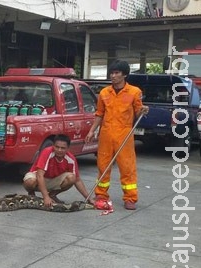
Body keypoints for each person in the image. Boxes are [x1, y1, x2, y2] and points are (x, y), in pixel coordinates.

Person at [85, 60, 149, 210]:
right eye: (112, 73)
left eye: (116, 73)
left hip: (124, 133)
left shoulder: (134, 92)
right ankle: (101, 194)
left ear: (124, 74)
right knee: (103, 165)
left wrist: (143, 110)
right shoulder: (104, 93)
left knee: (127, 167)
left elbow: (138, 111)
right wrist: (92, 130)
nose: (113, 76)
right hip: (106, 133)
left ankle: (130, 198)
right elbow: (99, 114)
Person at [23, 134, 94, 208]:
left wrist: (88, 198)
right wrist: (45, 197)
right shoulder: (47, 152)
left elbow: (77, 180)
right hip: (38, 177)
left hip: (53, 180)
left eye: (63, 148)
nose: (59, 150)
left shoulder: (71, 159)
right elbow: (39, 175)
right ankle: (31, 193)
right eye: (57, 147)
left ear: (68, 149)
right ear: (53, 146)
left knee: (72, 177)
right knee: (29, 181)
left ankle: (52, 195)